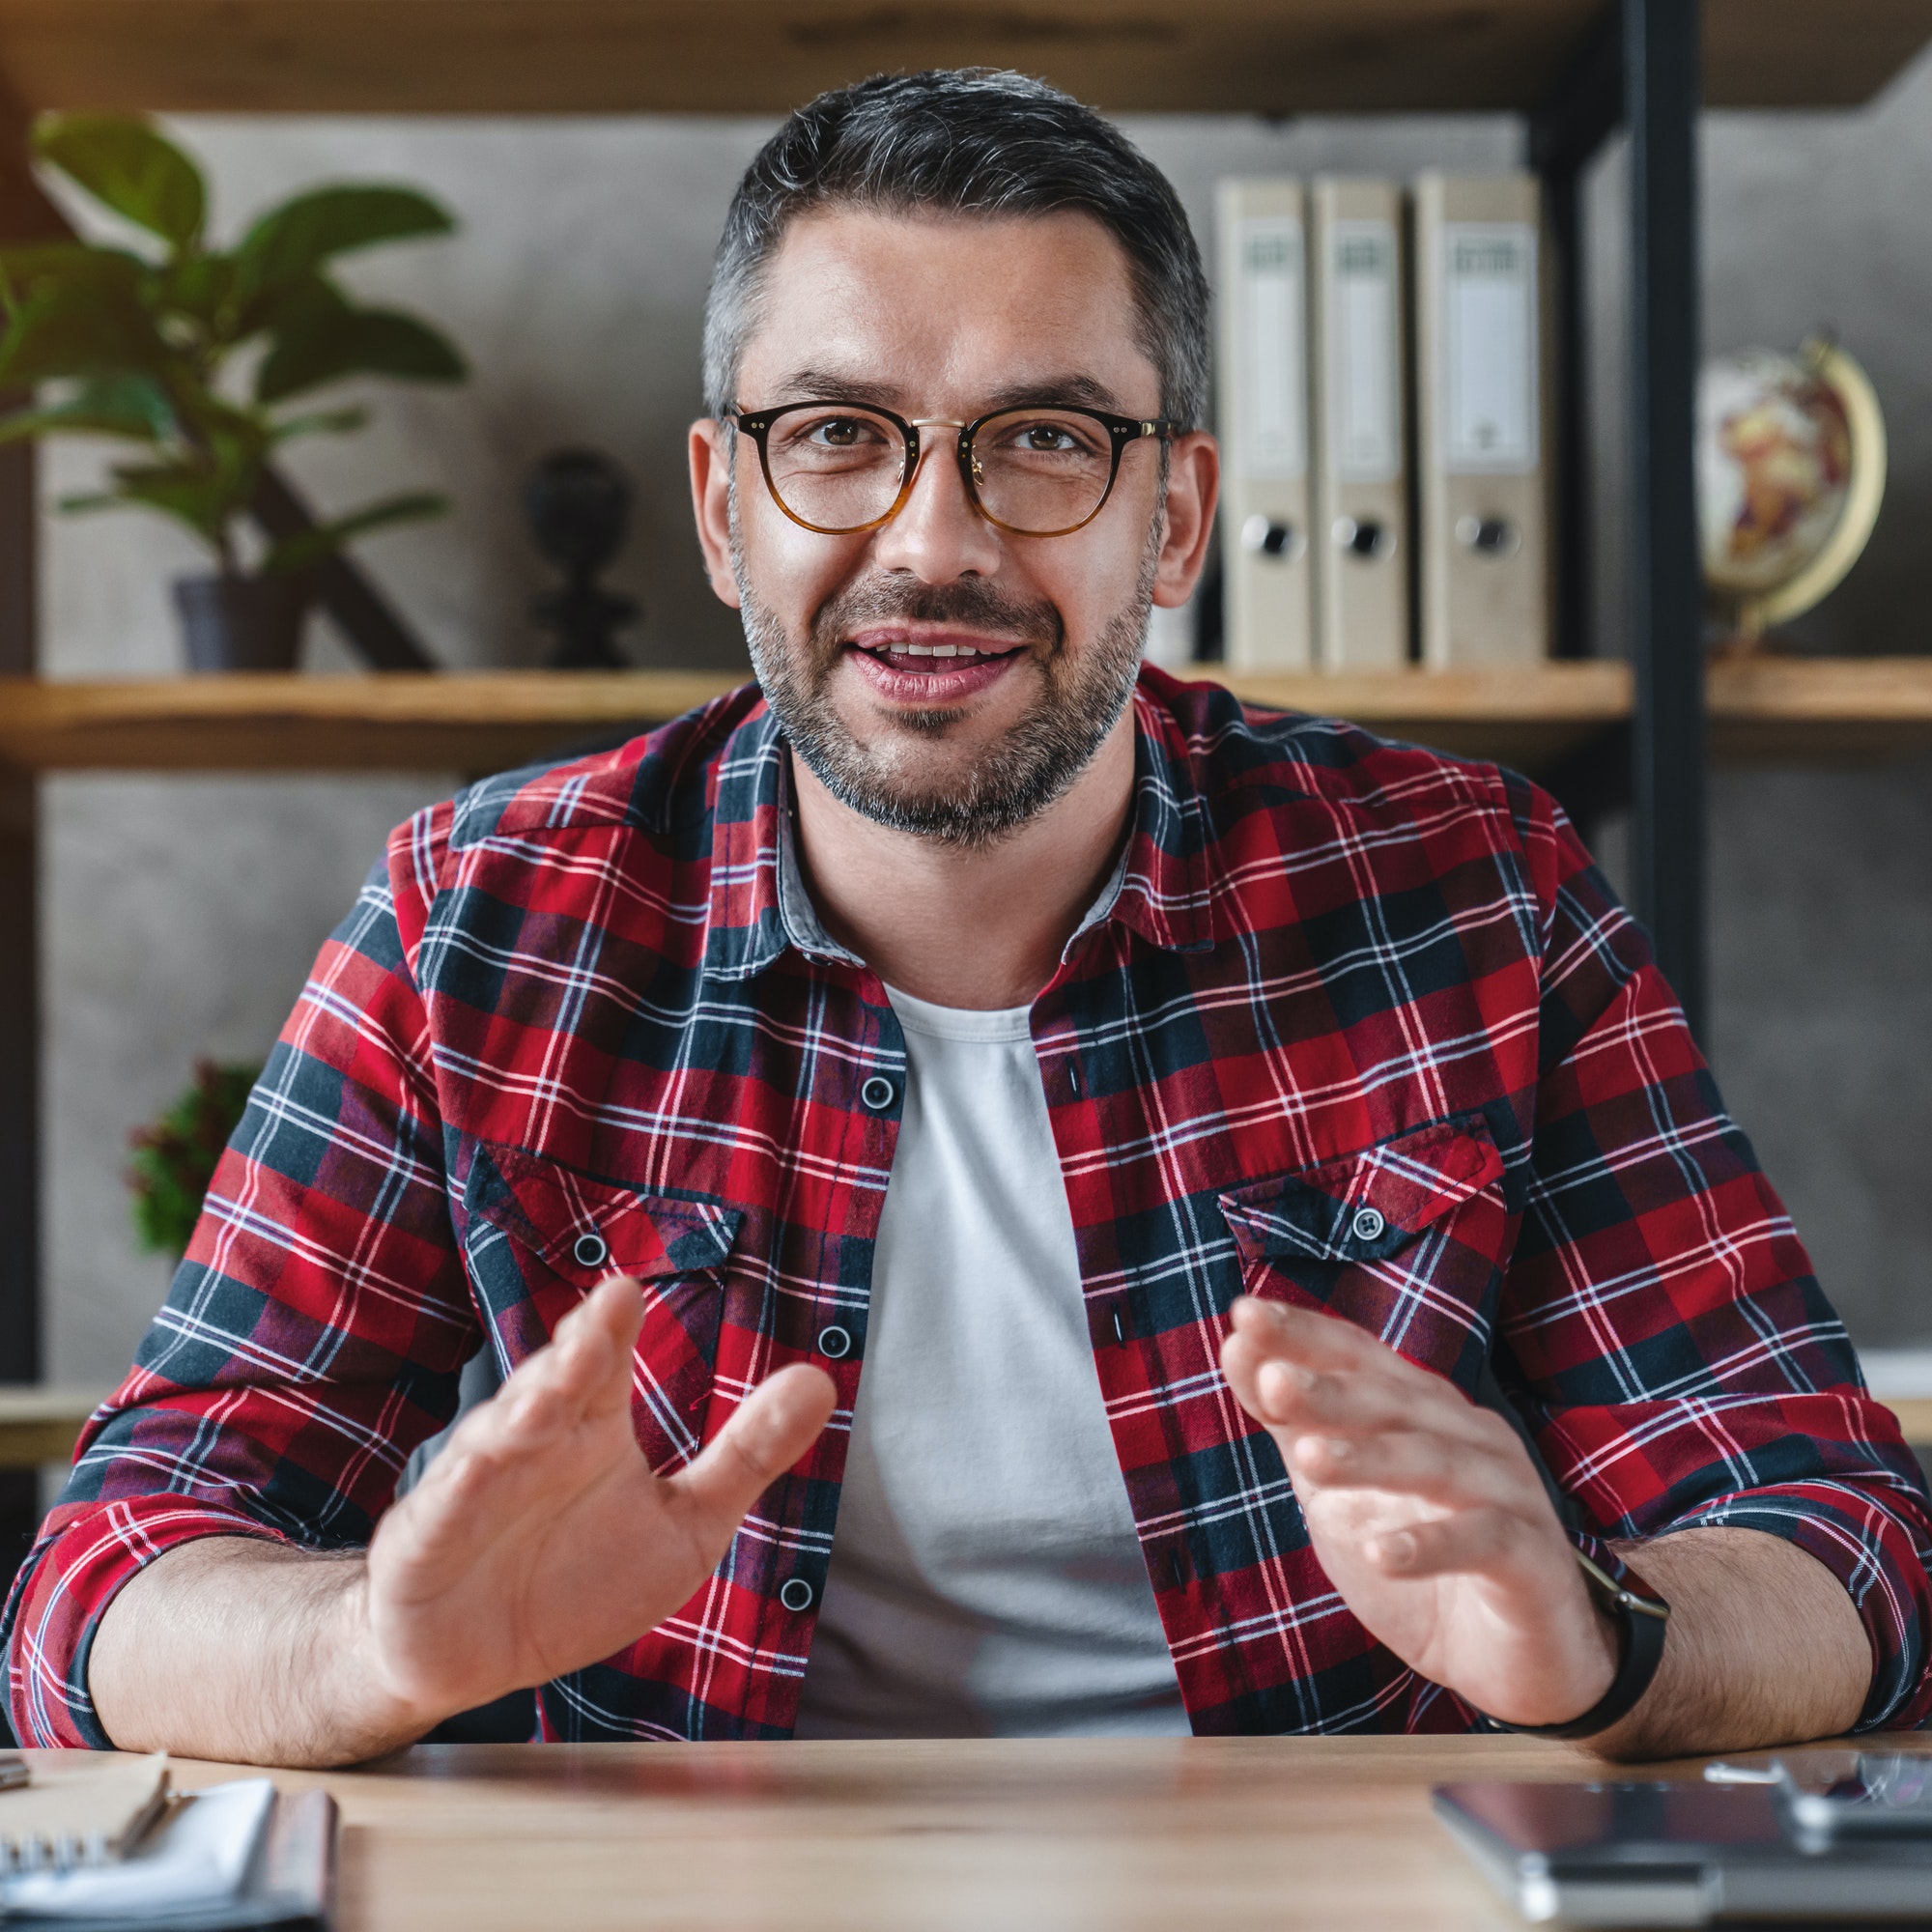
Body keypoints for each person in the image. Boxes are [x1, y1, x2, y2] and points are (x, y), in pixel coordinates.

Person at [9, 69, 1927, 1768]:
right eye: (837, 433)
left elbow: (1841, 1531)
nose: (934, 539)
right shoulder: (476, 922)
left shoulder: (1471, 890)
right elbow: (105, 1576)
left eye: (1042, 438)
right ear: (720, 504)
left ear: (1173, 518)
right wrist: (364, 1648)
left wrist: (1606, 1644)